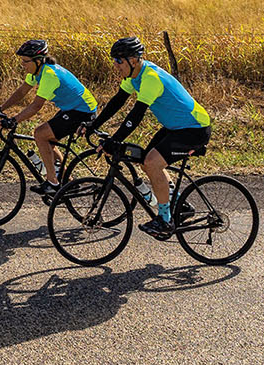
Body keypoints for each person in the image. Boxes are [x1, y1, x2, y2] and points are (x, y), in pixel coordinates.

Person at [83, 35, 211, 240]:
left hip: (193, 128)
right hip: (175, 127)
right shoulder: (134, 76)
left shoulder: (150, 77)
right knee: (145, 161)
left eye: (118, 61)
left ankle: (165, 220)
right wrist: (93, 125)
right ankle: (181, 205)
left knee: (152, 163)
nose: (115, 66)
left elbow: (136, 115)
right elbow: (117, 102)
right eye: (114, 60)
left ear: (133, 60)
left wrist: (114, 140)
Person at [0, 38, 98, 199]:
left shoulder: (49, 75)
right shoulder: (37, 71)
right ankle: (67, 181)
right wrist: (0, 108)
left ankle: (53, 182)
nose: (22, 65)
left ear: (38, 61)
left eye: (25, 61)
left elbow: (36, 106)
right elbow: (21, 92)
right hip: (72, 108)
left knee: (40, 134)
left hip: (82, 111)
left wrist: (13, 120)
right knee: (48, 140)